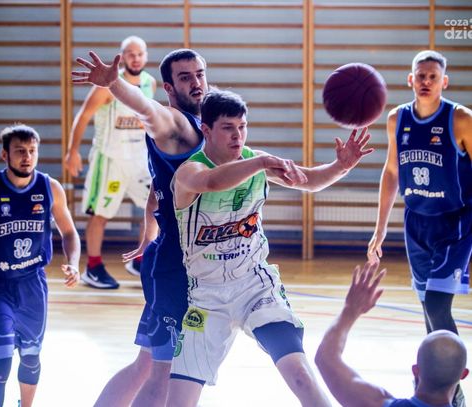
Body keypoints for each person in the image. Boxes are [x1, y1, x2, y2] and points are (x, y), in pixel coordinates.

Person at [167, 89, 373, 407]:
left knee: (301, 376)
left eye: (242, 126)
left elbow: (308, 180)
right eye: (228, 128)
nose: (237, 135)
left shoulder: (254, 162)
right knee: (179, 401)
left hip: (256, 287)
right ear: (206, 130)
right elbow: (212, 183)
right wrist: (261, 162)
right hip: (207, 297)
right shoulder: (190, 172)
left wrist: (340, 166)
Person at [73, 48, 207, 406]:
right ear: (169, 87)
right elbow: (148, 110)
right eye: (185, 77)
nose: (196, 82)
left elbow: (156, 192)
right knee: (164, 371)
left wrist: (148, 237)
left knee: (145, 365)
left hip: (174, 260)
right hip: (176, 268)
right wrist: (115, 84)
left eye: (199, 74)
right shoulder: (175, 123)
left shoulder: (200, 125)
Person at [0, 124, 81, 407]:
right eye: (20, 151)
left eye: (32, 151)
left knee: (31, 359)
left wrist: (73, 263)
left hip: (33, 284)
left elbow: (69, 232)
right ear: (4, 154)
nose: (27, 157)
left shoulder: (50, 188)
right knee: (0, 364)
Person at [367, 50, 472, 404]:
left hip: (455, 222)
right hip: (416, 223)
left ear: (444, 82)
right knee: (429, 308)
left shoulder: (461, 120)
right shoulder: (397, 119)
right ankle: (435, 389)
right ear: (410, 80)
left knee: (439, 306)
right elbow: (392, 172)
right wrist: (380, 228)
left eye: (433, 77)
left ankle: (453, 392)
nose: (426, 82)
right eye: (420, 76)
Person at [65, 36, 156, 288]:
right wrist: (72, 151)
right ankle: (93, 267)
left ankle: (140, 259)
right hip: (110, 159)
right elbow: (83, 116)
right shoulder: (106, 85)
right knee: (101, 214)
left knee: (154, 209)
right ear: (122, 56)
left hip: (139, 159)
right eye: (130, 54)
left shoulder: (150, 83)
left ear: (146, 56)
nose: (135, 58)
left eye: (140, 53)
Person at [315, 261, 469, 407]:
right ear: (463, 374)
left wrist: (350, 311)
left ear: (415, 370)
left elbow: (325, 358)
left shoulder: (376, 403)